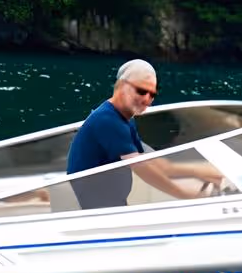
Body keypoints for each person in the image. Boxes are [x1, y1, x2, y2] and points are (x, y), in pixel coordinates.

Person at [64, 59, 224, 210]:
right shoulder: (108, 121)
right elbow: (141, 168)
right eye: (141, 91)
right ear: (120, 86)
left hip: (113, 202)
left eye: (152, 94)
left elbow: (151, 162)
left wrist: (201, 172)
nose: (147, 100)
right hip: (100, 209)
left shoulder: (125, 117)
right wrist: (185, 195)